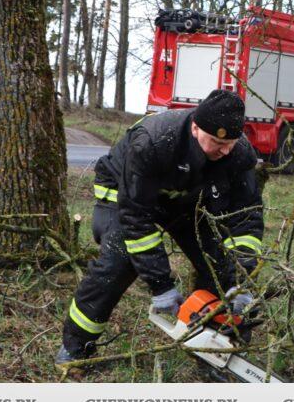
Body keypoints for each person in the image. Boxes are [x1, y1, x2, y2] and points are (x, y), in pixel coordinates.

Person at [58, 89, 265, 365]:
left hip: (184, 201)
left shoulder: (238, 155)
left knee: (219, 264)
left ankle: (215, 348)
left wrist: (240, 280)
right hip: (124, 194)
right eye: (217, 142)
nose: (225, 150)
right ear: (195, 128)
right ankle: (75, 348)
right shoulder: (153, 141)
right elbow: (135, 216)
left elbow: (246, 217)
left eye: (230, 143)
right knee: (119, 260)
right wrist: (161, 285)